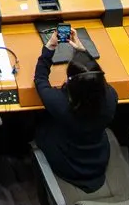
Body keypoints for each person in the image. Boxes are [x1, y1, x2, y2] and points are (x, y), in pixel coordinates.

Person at [31, 31, 116, 191]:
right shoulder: (111, 96)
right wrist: (83, 52)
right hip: (97, 158)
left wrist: (49, 47)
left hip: (68, 164)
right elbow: (97, 80)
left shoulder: (60, 103)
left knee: (40, 125)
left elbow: (40, 79)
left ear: (71, 83)